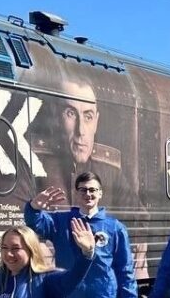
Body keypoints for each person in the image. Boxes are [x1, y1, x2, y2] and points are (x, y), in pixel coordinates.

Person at [34, 77, 135, 210]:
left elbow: (140, 221)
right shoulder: (34, 162)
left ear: (96, 122)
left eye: (88, 117)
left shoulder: (110, 170)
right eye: (71, 114)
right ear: (56, 118)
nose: (81, 130)